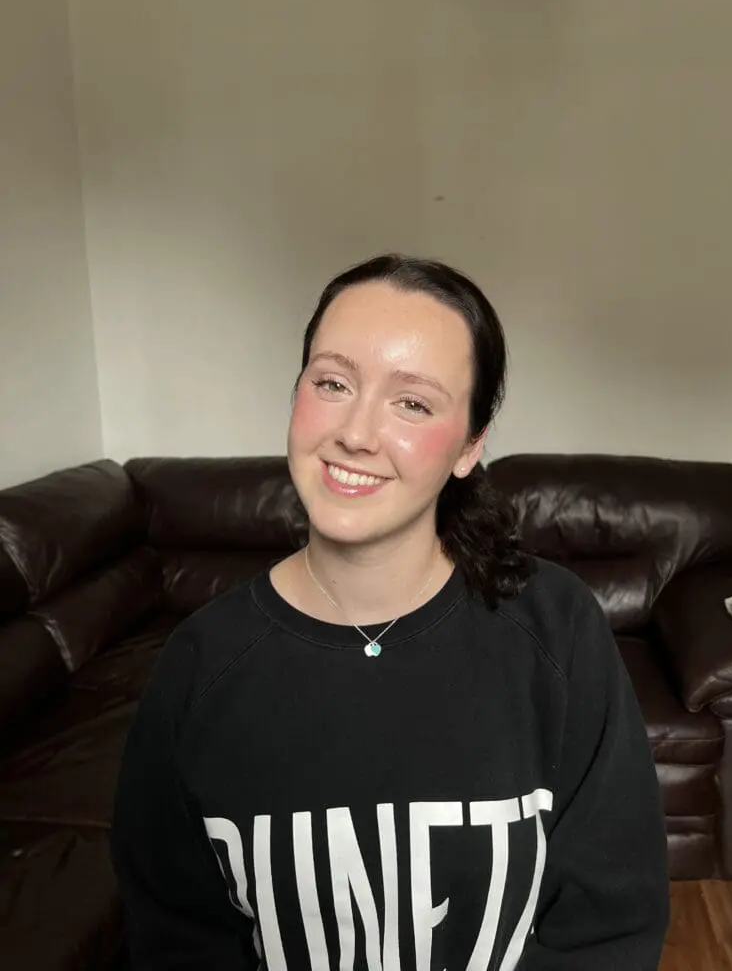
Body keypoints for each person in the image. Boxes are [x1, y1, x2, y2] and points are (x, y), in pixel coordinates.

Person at [110, 254, 670, 969]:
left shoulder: (556, 627)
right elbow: (175, 943)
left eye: (412, 403)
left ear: (470, 445)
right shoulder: (202, 663)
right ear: (296, 394)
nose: (357, 433)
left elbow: (610, 929)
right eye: (333, 382)